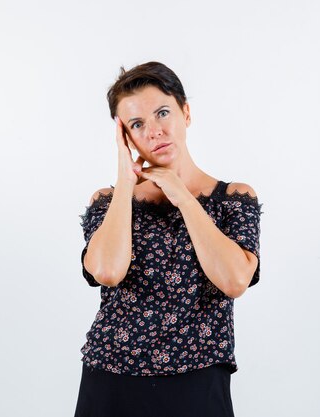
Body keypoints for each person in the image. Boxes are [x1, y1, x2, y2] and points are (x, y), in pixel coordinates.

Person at [73, 61, 264, 417]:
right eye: (137, 124)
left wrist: (181, 193)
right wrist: (126, 180)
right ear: (124, 137)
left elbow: (235, 280)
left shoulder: (233, 198)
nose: (154, 131)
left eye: (163, 113)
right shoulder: (109, 201)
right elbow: (107, 271)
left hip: (199, 381)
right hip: (111, 380)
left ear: (185, 112)